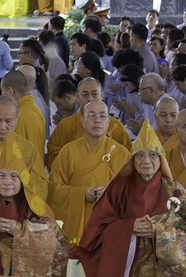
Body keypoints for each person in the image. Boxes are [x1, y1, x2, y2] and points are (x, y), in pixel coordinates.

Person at [76, 121, 186, 277]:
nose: (146, 161)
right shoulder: (117, 188)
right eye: (140, 155)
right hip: (126, 266)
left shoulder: (174, 190)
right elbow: (96, 228)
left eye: (153, 155)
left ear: (161, 159)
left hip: (164, 271)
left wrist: (160, 231)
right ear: (132, 159)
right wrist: (129, 226)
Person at [49, 100, 130, 243]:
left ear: (109, 121)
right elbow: (53, 190)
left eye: (102, 116)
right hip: (75, 221)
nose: (97, 120)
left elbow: (130, 192)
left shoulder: (121, 153)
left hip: (108, 223)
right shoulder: (68, 151)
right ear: (82, 121)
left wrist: (108, 194)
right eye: (91, 115)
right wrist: (82, 193)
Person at [46, 78, 131, 167]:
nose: (90, 99)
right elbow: (53, 155)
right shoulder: (66, 125)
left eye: (94, 94)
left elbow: (127, 157)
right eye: (85, 95)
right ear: (78, 97)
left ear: (101, 95)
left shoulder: (115, 126)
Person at [2, 69, 45, 158]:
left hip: (23, 169)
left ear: (10, 91)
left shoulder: (17, 117)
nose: (2, 95)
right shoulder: (36, 109)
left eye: (2, 91)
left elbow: (15, 153)